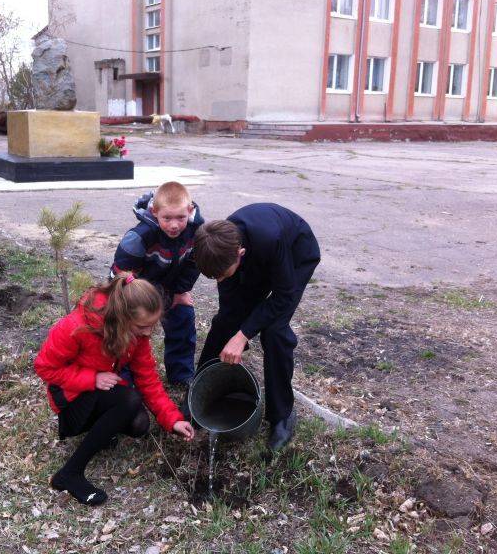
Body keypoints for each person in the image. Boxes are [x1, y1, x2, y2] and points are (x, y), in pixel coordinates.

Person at [34, 273, 195, 506]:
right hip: (70, 402)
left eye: (152, 325)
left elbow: (147, 378)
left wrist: (173, 420)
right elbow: (44, 368)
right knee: (128, 399)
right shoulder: (76, 326)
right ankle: (69, 473)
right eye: (142, 326)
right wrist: (92, 378)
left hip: (96, 395)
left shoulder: (135, 335)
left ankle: (101, 432)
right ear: (122, 316)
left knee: (140, 424)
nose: (148, 333)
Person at [193, 203, 321, 452]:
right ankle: (198, 392)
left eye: (221, 275)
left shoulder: (269, 239)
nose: (219, 281)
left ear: (240, 253)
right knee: (226, 319)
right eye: (213, 277)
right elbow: (230, 301)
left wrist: (243, 335)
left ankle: (282, 416)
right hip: (256, 257)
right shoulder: (215, 243)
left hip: (295, 254)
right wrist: (233, 328)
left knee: (275, 331)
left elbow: (283, 295)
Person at [110, 181, 204, 387]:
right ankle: (125, 375)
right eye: (167, 218)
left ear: (190, 210)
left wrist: (181, 291)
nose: (174, 225)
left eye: (181, 217)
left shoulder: (196, 231)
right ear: (154, 212)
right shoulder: (138, 237)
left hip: (169, 286)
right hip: (137, 289)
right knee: (130, 329)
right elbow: (120, 273)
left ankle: (181, 373)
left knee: (183, 316)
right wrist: (126, 303)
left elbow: (194, 263)